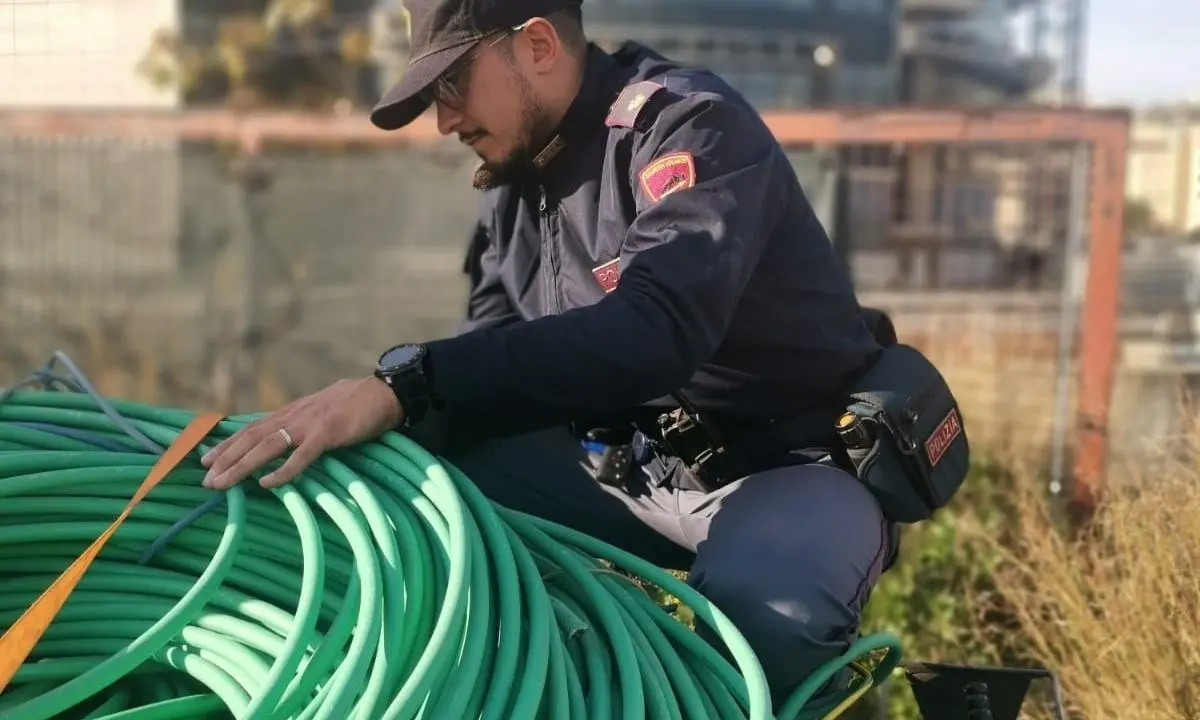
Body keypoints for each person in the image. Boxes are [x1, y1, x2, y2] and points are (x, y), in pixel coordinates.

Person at [200, 0, 897, 706]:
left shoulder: (688, 126)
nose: (444, 121)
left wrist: (405, 385)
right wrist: (378, 427)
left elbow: (658, 331)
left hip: (788, 468)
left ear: (535, 45)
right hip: (628, 473)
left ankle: (820, 697)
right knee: (415, 505)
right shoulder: (518, 180)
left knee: (768, 626)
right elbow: (491, 363)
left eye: (451, 86)